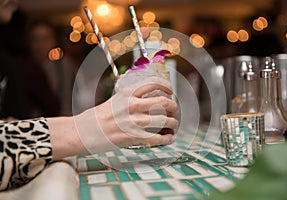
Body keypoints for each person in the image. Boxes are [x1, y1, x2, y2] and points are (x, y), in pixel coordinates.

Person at [0, 0, 178, 191]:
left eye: (45, 38)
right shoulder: (24, 66)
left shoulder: (59, 65)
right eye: (36, 39)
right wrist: (84, 129)